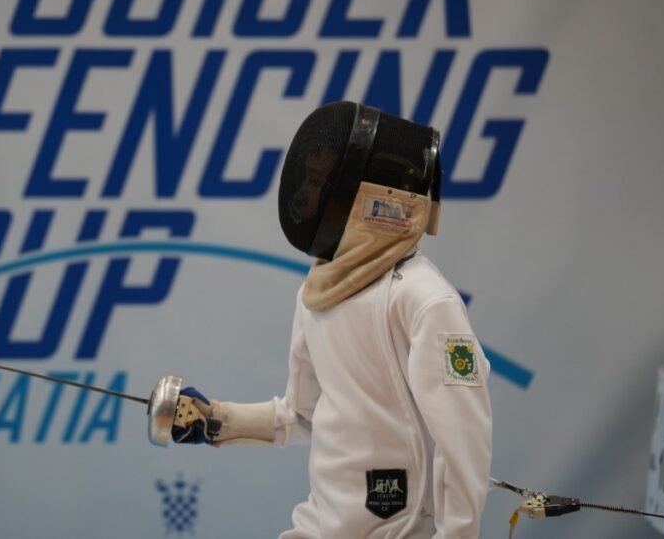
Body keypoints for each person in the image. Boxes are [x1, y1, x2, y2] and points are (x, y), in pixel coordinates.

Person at [171, 101, 493, 538]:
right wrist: (215, 418)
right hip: (318, 527)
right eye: (307, 178)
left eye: (319, 182)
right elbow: (300, 415)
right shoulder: (320, 289)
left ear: (368, 197)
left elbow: (464, 442)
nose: (303, 194)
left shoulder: (424, 299)